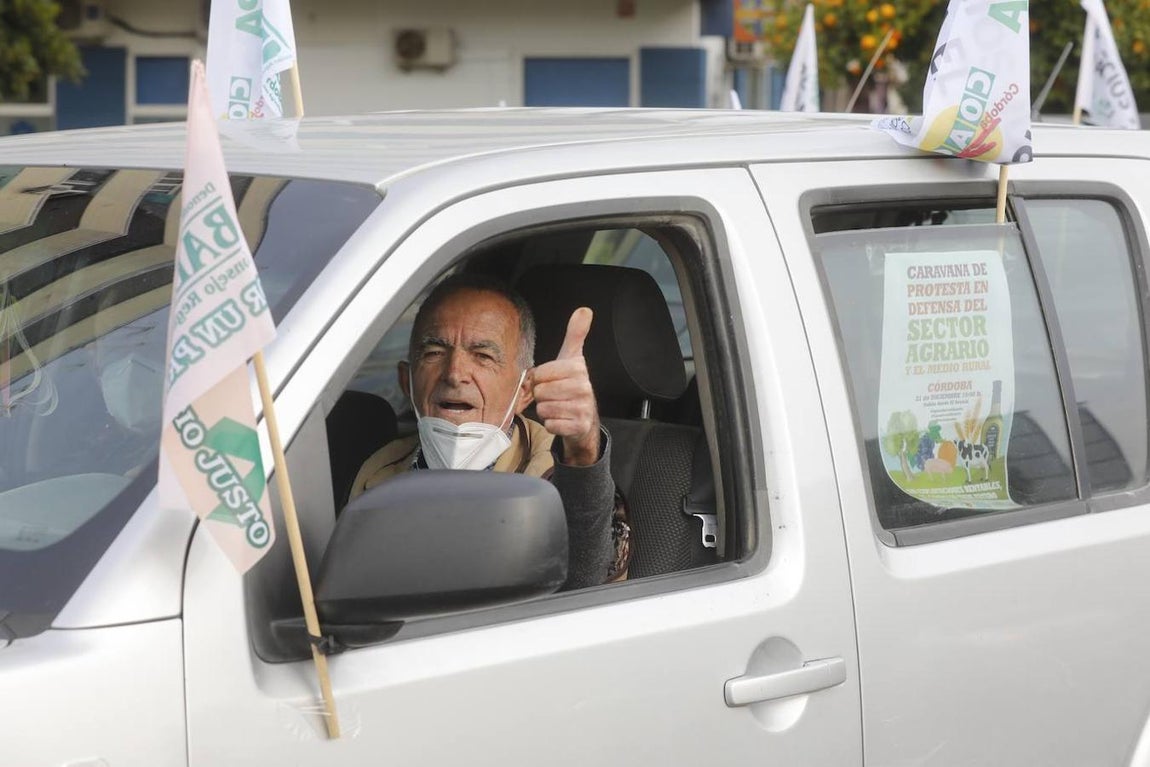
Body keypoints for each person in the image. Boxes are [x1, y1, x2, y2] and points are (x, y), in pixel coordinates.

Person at [349, 273, 629, 587]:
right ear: (406, 381)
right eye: (434, 353)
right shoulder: (380, 472)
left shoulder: (553, 475)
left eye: (483, 357)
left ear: (525, 391)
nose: (455, 374)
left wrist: (581, 450)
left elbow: (584, 588)